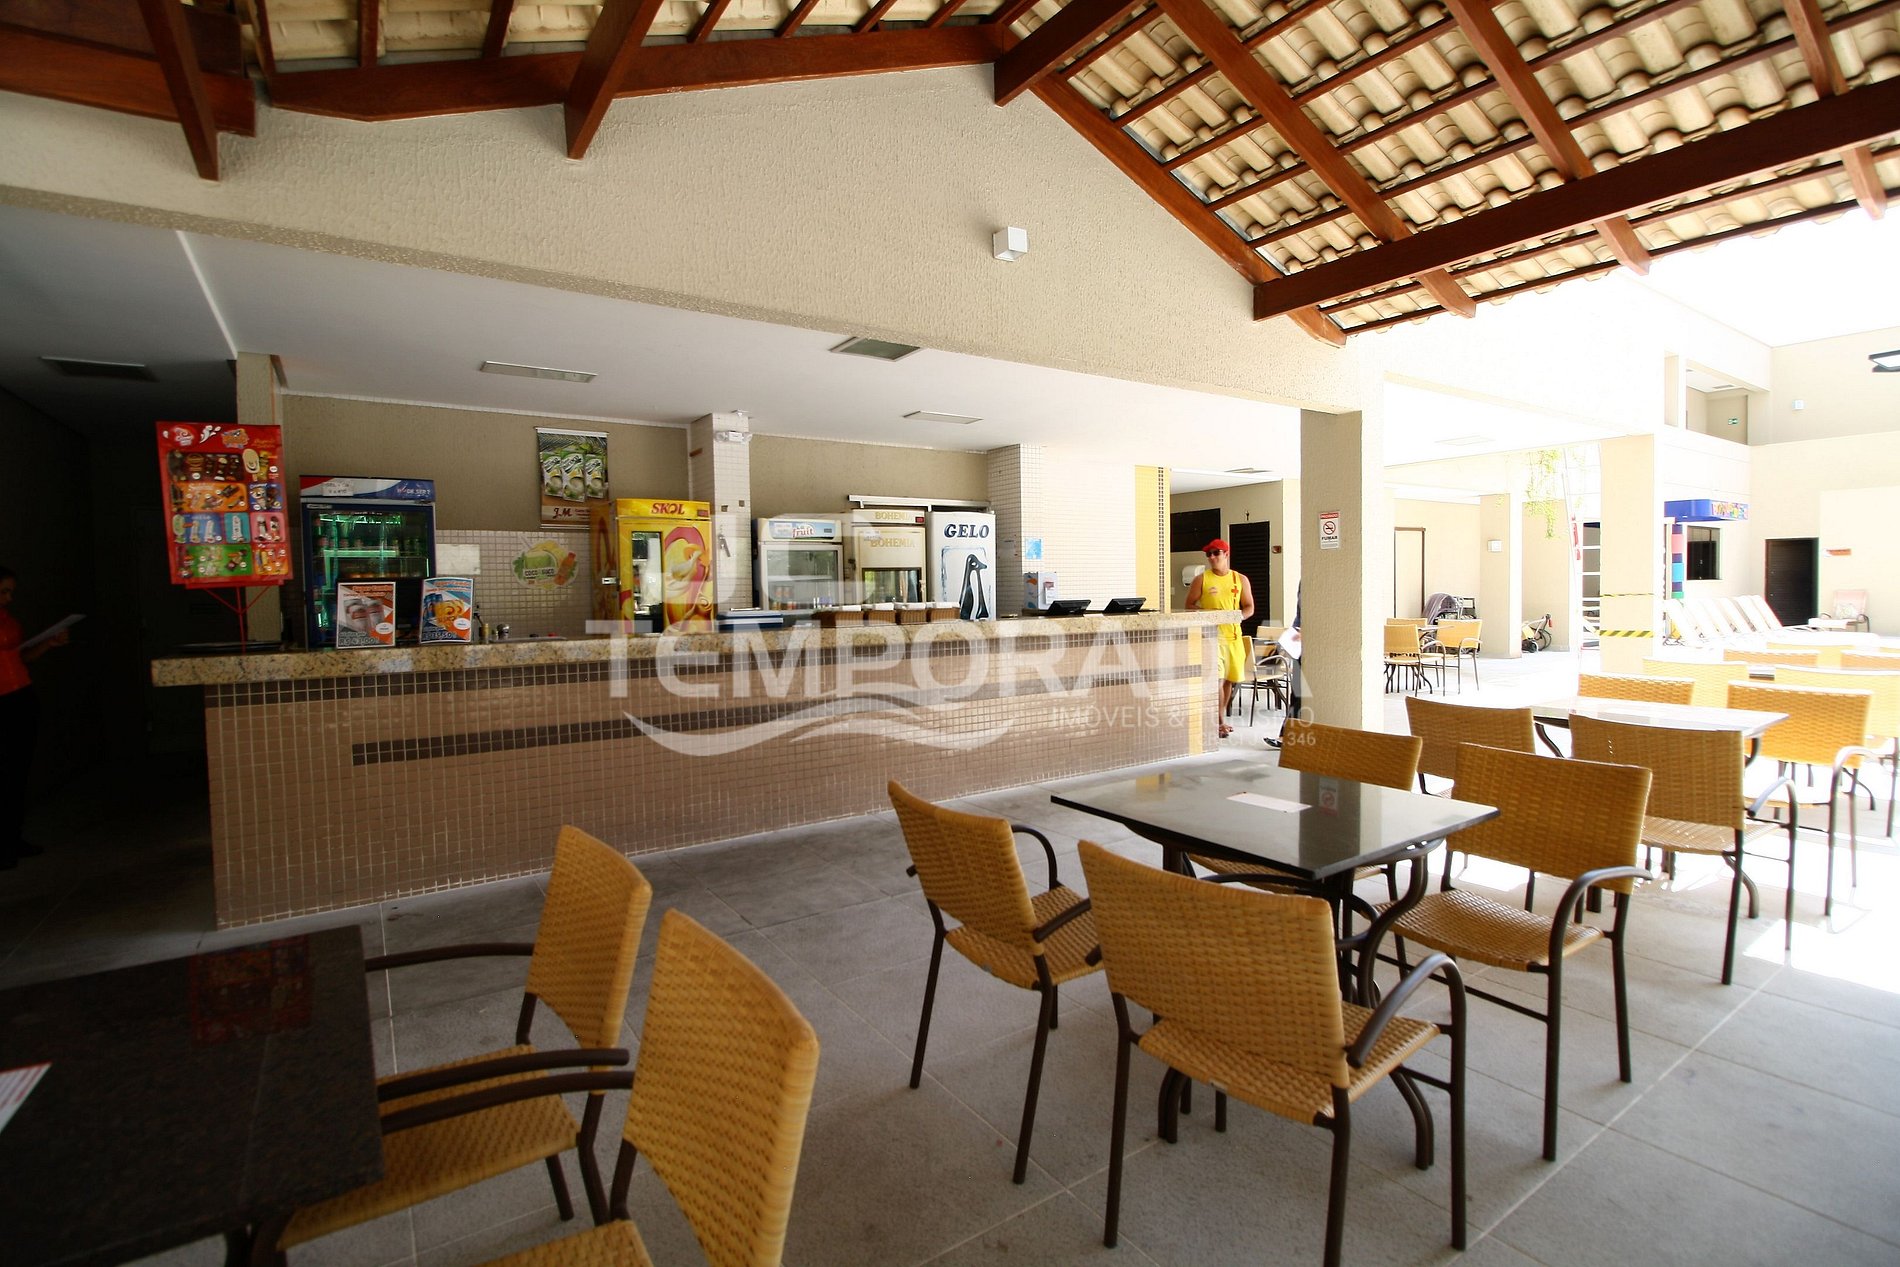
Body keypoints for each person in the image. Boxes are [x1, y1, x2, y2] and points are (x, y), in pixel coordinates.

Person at [1, 565, 68, 869]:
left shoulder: (8, 619)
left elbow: (20, 657)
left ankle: (13, 838)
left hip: (20, 695)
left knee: (18, 771)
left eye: (10, 592)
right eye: (3, 591)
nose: (9, 598)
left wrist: (47, 644)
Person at [1186, 539, 1254, 739]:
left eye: (1216, 553)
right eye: (1209, 554)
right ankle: (1219, 722)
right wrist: (1208, 615)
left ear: (1226, 554)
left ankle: (1220, 718)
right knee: (1216, 679)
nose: (1212, 557)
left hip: (1233, 636)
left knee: (1228, 681)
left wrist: (1239, 616)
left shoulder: (1240, 579)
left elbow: (1249, 606)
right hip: (1211, 638)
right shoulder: (1201, 579)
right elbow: (1189, 605)